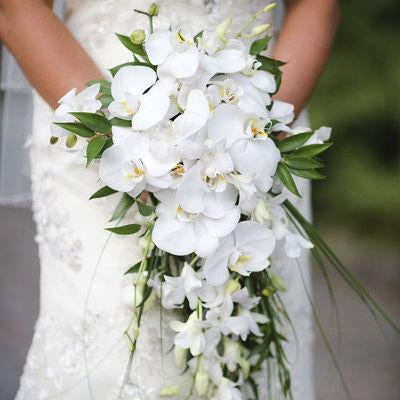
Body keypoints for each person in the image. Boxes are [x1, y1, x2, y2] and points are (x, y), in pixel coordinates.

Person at [0, 0, 340, 398]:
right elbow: (17, 9)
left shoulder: (256, 134)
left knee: (252, 359)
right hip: (94, 123)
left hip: (255, 135)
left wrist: (250, 133)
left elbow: (319, 5)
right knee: (109, 357)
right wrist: (127, 142)